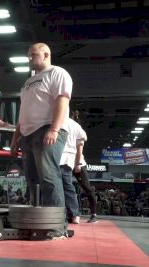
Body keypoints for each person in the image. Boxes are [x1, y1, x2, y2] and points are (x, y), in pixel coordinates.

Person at [10, 42, 73, 238]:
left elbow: (62, 101)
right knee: (32, 180)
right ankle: (38, 223)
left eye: (33, 55)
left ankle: (56, 228)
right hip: (28, 134)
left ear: (46, 54)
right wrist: (15, 138)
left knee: (49, 177)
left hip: (47, 129)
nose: (30, 59)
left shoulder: (57, 73)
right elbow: (24, 111)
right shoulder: (28, 82)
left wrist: (54, 129)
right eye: (29, 55)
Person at [71, 111, 98, 223]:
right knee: (66, 187)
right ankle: (71, 213)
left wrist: (78, 164)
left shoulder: (78, 131)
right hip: (67, 164)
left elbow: (79, 150)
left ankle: (94, 214)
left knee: (87, 188)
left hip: (79, 164)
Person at [60, 117, 86, 224]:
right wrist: (77, 163)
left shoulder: (58, 121)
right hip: (67, 159)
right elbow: (81, 144)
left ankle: (72, 214)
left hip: (60, 157)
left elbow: (80, 145)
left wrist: (78, 163)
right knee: (67, 187)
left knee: (62, 186)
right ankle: (73, 214)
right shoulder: (76, 126)